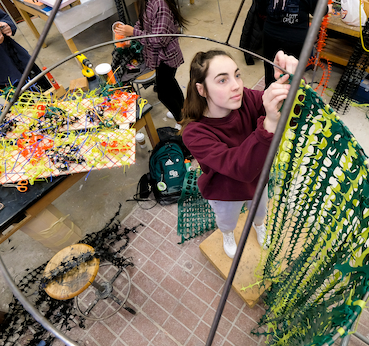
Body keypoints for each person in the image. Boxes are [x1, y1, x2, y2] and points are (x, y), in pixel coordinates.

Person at [181, 49, 298, 259]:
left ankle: (259, 226)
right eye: (222, 80)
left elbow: (292, 112)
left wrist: (288, 84)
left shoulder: (247, 100)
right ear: (202, 89)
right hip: (224, 191)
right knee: (227, 220)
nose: (236, 85)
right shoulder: (195, 133)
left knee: (260, 212)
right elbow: (238, 167)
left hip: (258, 181)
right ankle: (227, 234)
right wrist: (270, 121)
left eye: (236, 75)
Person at [113, 0, 187, 129]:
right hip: (159, 57)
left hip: (167, 57)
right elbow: (142, 22)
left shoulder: (160, 5)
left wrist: (133, 32)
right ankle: (184, 111)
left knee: (163, 93)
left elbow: (159, 39)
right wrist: (131, 34)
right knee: (170, 84)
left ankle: (182, 121)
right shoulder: (146, 2)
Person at [257, 0, 322, 88]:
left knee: (272, 74)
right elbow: (318, 11)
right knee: (291, 76)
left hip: (272, 34)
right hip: (294, 37)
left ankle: (271, 96)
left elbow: (261, 9)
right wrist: (327, 8)